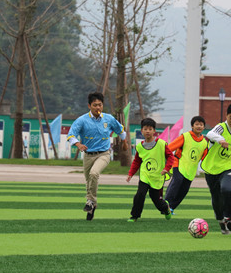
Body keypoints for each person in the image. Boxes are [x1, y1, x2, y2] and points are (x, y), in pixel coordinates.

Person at [68, 92, 128, 221]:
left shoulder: (109, 119)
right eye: (95, 105)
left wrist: (124, 142)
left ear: (102, 105)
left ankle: (90, 201)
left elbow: (121, 130)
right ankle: (92, 206)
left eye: (100, 105)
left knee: (94, 174)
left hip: (104, 154)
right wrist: (78, 144)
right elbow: (71, 135)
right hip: (88, 155)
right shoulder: (82, 120)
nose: (98, 107)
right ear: (89, 106)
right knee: (89, 181)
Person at [203, 102, 231, 234]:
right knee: (216, 198)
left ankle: (228, 218)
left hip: (227, 167)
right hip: (211, 168)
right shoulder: (221, 128)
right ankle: (221, 222)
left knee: (226, 189)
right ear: (226, 116)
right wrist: (220, 140)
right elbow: (210, 134)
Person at [126, 118, 174, 221]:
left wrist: (166, 168)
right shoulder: (140, 146)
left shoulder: (161, 144)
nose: (148, 131)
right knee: (140, 194)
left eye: (150, 129)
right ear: (142, 131)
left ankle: (165, 208)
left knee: (156, 200)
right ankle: (134, 216)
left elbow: (170, 157)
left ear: (154, 131)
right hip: (145, 175)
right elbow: (137, 161)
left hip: (157, 176)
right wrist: (131, 173)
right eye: (145, 129)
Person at [164, 116, 209, 213]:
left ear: (204, 127)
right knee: (177, 181)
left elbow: (205, 159)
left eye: (201, 125)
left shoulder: (204, 143)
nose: (199, 126)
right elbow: (170, 147)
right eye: (197, 124)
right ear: (192, 126)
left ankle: (171, 208)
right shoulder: (185, 136)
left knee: (184, 190)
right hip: (178, 163)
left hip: (191, 170)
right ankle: (165, 203)